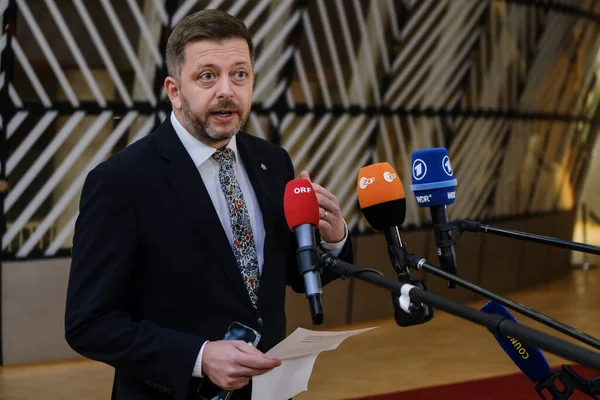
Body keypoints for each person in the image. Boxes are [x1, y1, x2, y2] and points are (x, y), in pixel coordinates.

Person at [64, 9, 353, 400]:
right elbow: (89, 323)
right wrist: (197, 357)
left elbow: (292, 276)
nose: (227, 91)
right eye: (207, 76)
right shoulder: (121, 181)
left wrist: (333, 238)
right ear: (173, 90)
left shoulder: (274, 162)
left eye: (239, 74)